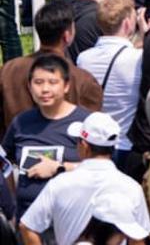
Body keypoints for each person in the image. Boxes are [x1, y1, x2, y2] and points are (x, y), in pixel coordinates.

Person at [17, 111, 149, 245]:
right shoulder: (132, 188)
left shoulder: (59, 184)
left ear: (84, 146)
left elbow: (26, 227)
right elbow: (138, 239)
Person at [2, 53, 91, 219]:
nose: (45, 89)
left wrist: (60, 167)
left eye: (52, 82)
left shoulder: (87, 122)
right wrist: (11, 203)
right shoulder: (21, 122)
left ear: (66, 86)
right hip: (27, 219)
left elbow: (104, 167)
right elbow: (4, 161)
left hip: (70, 219)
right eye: (38, 82)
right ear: (29, 87)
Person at [0, 0, 103, 132]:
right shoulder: (83, 80)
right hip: (68, 150)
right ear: (67, 35)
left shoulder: (9, 70)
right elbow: (91, 130)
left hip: (15, 148)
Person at [75, 0, 142, 159]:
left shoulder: (83, 58)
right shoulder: (137, 58)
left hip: (93, 143)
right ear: (127, 24)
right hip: (124, 143)